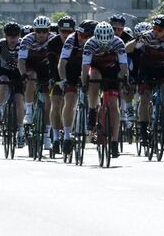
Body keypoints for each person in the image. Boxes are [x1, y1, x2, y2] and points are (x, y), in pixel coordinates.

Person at [126, 15, 164, 146]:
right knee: (144, 99)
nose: (156, 31)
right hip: (146, 70)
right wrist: (136, 41)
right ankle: (144, 131)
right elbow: (127, 48)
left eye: (160, 29)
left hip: (162, 69)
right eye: (154, 27)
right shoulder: (148, 36)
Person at [81, 22, 129, 158]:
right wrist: (85, 83)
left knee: (114, 106)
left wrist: (123, 79)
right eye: (101, 44)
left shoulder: (118, 42)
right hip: (96, 68)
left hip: (112, 70)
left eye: (107, 44)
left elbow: (124, 66)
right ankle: (92, 109)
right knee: (94, 77)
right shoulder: (90, 43)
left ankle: (114, 141)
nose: (104, 47)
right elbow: (85, 67)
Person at [58, 20, 98, 154]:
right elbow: (62, 63)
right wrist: (64, 80)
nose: (82, 39)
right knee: (70, 100)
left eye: (86, 36)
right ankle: (67, 136)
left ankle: (94, 114)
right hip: (72, 69)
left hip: (90, 68)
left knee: (94, 83)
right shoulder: (71, 39)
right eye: (80, 35)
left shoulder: (98, 41)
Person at [18, 15, 56, 150]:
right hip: (31, 65)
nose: (41, 34)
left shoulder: (53, 39)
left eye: (44, 31)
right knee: (31, 78)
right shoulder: (27, 39)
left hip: (46, 67)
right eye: (38, 31)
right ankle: (28, 112)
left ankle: (47, 135)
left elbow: (57, 60)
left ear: (49, 30)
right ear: (34, 30)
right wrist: (23, 74)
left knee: (49, 100)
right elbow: (21, 60)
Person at [0, 22, 26, 147]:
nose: (12, 39)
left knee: (19, 101)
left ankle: (21, 132)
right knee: (3, 82)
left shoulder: (23, 44)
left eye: (15, 36)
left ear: (19, 35)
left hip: (18, 73)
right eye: (10, 36)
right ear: (5, 36)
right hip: (4, 71)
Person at [47, 15, 76, 153]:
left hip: (73, 75)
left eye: (69, 31)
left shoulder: (76, 41)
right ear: (58, 31)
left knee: (70, 103)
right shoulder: (53, 43)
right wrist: (55, 79)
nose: (65, 34)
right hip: (57, 75)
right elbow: (52, 64)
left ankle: (67, 134)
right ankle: (56, 138)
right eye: (62, 31)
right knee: (56, 103)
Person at [109, 14, 135, 124]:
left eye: (120, 29)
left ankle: (126, 107)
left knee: (125, 80)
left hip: (123, 64)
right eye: (114, 28)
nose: (117, 31)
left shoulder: (128, 38)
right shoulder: (103, 34)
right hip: (107, 64)